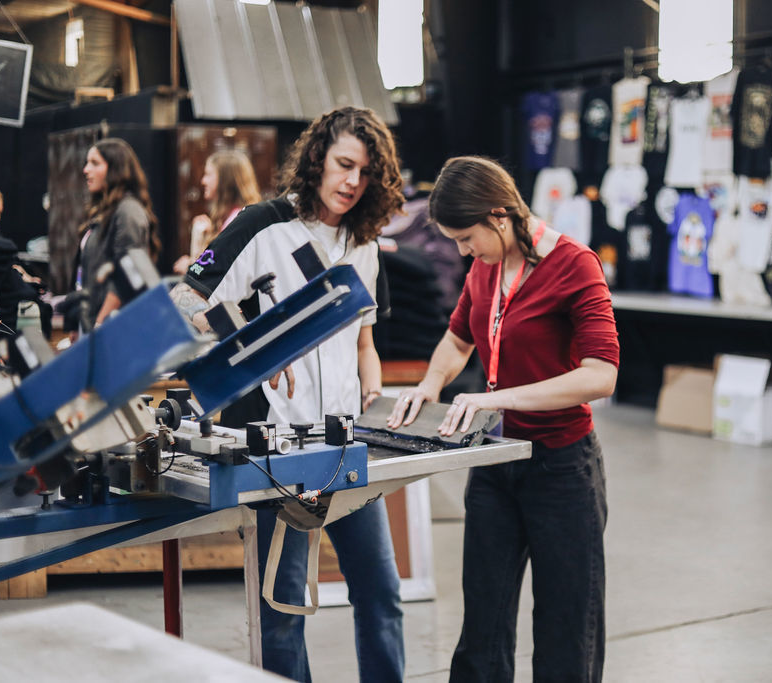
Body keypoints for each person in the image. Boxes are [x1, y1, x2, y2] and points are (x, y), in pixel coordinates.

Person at [170, 107, 405, 682]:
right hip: (274, 449)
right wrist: (254, 346)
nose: (352, 181)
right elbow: (184, 300)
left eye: (366, 173)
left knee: (380, 593)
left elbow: (364, 338)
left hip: (346, 446)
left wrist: (371, 375)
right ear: (318, 158)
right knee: (282, 611)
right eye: (344, 164)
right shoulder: (260, 224)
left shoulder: (364, 243)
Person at [387, 156, 619, 682]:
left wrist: (500, 399)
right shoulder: (485, 267)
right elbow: (457, 338)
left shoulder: (574, 264)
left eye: (467, 237)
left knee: (566, 627)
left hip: (562, 468)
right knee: (483, 625)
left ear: (499, 215)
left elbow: (601, 375)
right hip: (493, 465)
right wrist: (429, 386)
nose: (463, 251)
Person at [76, 138, 160, 329]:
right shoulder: (103, 212)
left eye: (95, 163)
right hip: (94, 322)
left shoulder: (128, 210)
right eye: (87, 163)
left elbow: (127, 273)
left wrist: (100, 323)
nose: (86, 169)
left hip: (113, 325)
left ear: (116, 169)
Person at [173, 149, 261, 274]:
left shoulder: (235, 221)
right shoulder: (238, 217)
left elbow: (217, 274)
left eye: (208, 174)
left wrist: (189, 267)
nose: (203, 181)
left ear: (225, 180)